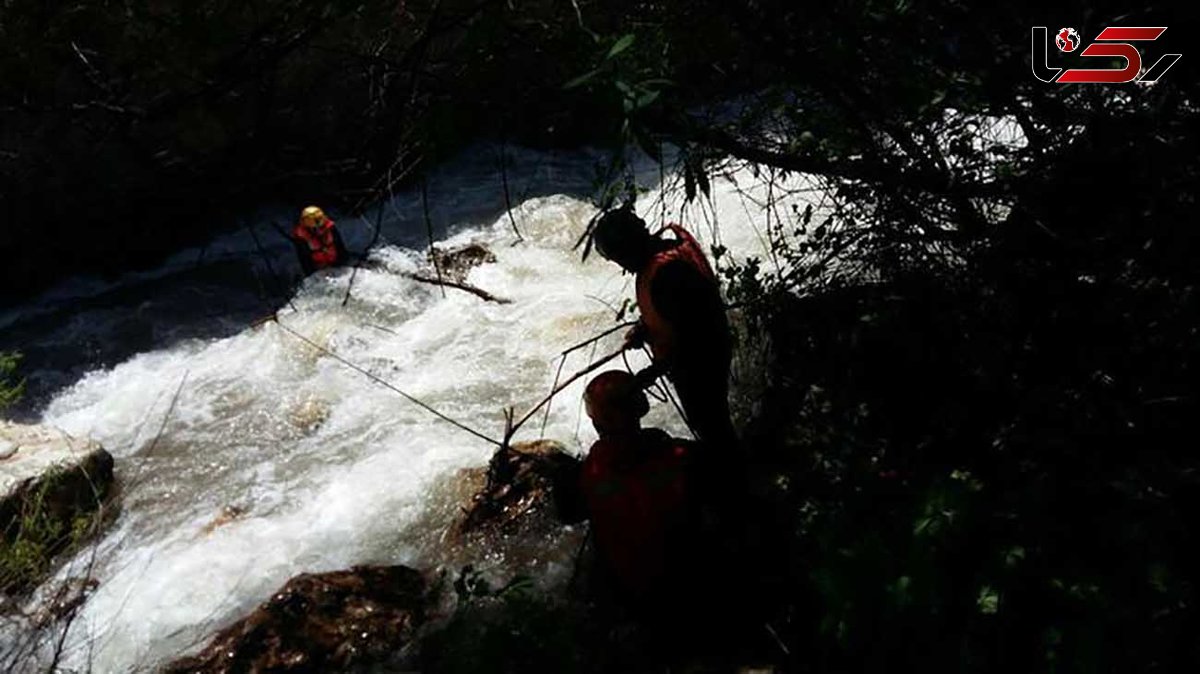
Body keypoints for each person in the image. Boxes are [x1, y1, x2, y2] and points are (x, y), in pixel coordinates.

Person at [591, 207, 736, 449]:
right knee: (713, 425)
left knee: (713, 429)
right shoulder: (666, 254)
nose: (621, 266)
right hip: (706, 354)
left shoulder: (669, 274)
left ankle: (735, 479)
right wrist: (644, 329)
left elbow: (695, 337)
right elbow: (679, 314)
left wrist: (651, 373)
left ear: (629, 247)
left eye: (619, 258)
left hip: (702, 363)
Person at [579, 370, 695, 604]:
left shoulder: (586, 474)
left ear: (596, 420)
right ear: (641, 408)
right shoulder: (681, 454)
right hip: (686, 575)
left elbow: (570, 511)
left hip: (629, 589)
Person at [291, 205, 348, 275]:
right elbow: (304, 258)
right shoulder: (301, 236)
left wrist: (343, 262)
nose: (318, 229)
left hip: (336, 263)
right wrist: (311, 273)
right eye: (314, 227)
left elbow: (340, 245)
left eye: (320, 226)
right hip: (318, 268)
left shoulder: (330, 227)